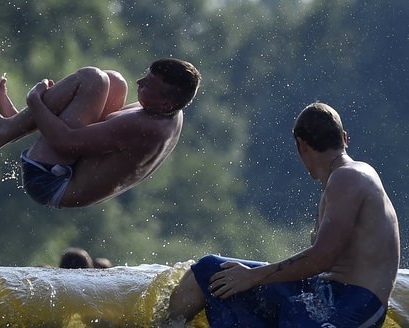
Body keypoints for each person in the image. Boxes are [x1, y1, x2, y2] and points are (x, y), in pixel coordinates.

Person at [164, 102, 400, 327]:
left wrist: (253, 276)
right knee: (212, 272)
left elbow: (322, 258)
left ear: (301, 145)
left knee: (254, 289)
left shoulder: (347, 177)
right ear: (345, 138)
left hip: (355, 304)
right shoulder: (341, 180)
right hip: (321, 291)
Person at [0, 58, 201, 208]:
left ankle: (2, 131)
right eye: (145, 77)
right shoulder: (169, 112)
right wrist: (31, 114)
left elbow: (65, 142)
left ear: (165, 104)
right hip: (68, 165)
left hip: (51, 180)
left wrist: (34, 100)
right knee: (115, 82)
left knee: (93, 79)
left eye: (148, 85)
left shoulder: (146, 128)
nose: (139, 82)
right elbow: (89, 137)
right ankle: (13, 125)